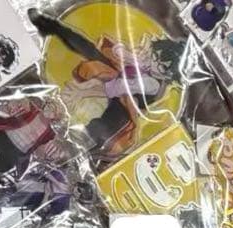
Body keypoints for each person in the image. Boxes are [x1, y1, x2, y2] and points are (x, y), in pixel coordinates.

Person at [29, 8, 184, 157]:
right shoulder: (147, 64)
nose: (155, 63)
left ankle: (69, 146)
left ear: (169, 74)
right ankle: (53, 27)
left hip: (122, 107)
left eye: (161, 66)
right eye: (155, 57)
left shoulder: (152, 84)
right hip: (114, 82)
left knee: (96, 129)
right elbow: (122, 59)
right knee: (88, 49)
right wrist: (126, 56)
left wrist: (85, 91)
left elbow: (117, 87)